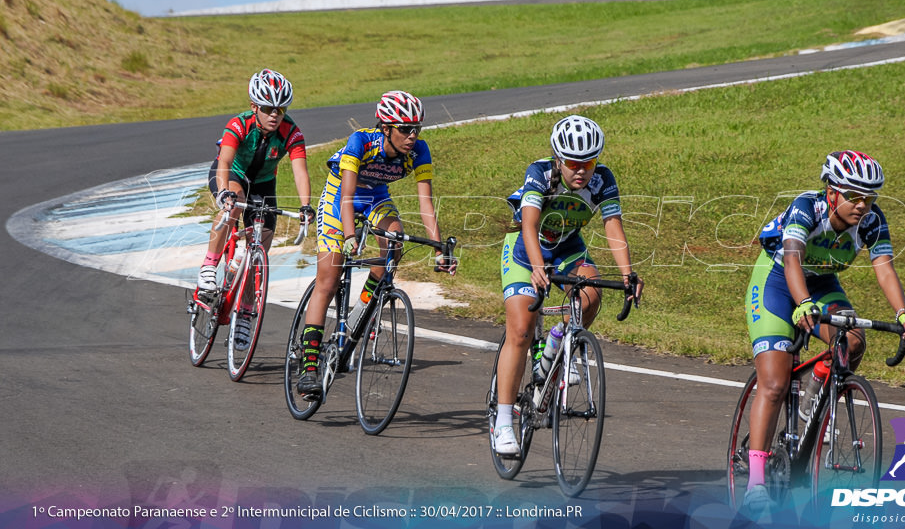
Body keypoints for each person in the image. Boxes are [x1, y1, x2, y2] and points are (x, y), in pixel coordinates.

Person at [741, 151, 905, 513]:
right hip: (777, 281)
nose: (862, 205)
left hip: (822, 282)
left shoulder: (872, 220)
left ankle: (815, 392)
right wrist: (803, 303)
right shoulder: (807, 207)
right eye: (854, 196)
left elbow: (883, 267)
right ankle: (755, 484)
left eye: (869, 198)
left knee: (852, 341)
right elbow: (792, 257)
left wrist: (903, 313)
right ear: (832, 192)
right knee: (774, 383)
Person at [491, 115, 643, 456]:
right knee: (520, 330)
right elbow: (529, 226)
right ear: (558, 159)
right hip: (524, 251)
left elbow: (613, 227)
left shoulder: (603, 179)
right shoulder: (540, 173)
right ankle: (503, 421)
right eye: (574, 163)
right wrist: (536, 266)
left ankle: (560, 339)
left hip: (567, 249)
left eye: (589, 162)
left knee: (591, 294)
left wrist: (628, 274)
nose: (582, 171)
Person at [297, 90, 456, 397]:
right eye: (405, 129)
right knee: (328, 279)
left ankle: (358, 317)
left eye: (416, 129)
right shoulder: (361, 141)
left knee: (394, 244)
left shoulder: (419, 151)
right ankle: (310, 366)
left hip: (376, 198)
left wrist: (439, 249)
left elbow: (426, 204)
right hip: (340, 197)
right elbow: (345, 196)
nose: (412, 136)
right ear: (386, 128)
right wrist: (351, 235)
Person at [196, 69, 314, 346]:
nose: (275, 114)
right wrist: (224, 192)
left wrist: (305, 206)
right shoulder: (239, 124)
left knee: (259, 251)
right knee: (233, 205)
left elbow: (300, 172)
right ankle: (209, 267)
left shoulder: (291, 132)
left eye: (281, 109)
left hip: (263, 185)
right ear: (254, 107)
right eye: (268, 108)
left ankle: (245, 315)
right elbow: (224, 161)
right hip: (232, 175)